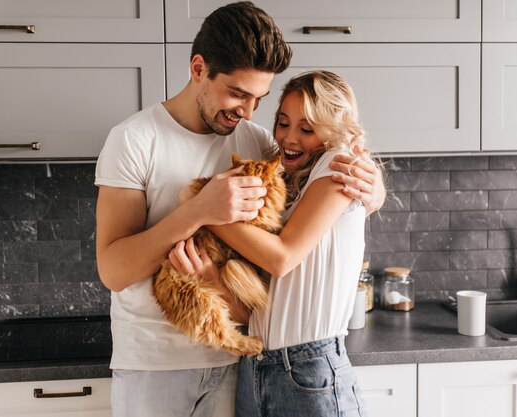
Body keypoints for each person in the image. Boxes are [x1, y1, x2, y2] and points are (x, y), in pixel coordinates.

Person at [95, 2, 384, 416]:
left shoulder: (257, 142)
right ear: (199, 69)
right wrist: (196, 211)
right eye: (237, 93)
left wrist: (372, 193)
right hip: (156, 366)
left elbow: (311, 207)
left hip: (243, 363)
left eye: (258, 99)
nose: (247, 112)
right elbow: (114, 270)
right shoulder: (135, 140)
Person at [170, 70, 374, 417]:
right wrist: (212, 279)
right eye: (282, 123)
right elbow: (263, 310)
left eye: (306, 129)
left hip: (310, 371)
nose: (289, 139)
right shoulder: (291, 185)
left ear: (335, 130)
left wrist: (200, 209)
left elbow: (282, 258)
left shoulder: (340, 166)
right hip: (258, 367)